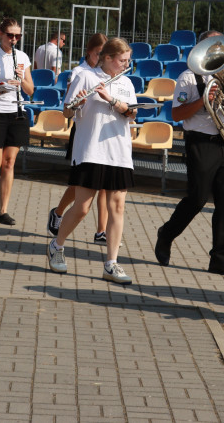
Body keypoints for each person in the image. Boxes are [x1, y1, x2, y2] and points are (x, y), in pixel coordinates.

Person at [155, 31, 224, 277]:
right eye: (212, 48)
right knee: (197, 199)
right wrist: (202, 100)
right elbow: (177, 115)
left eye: (220, 49)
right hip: (201, 144)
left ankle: (220, 258)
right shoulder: (188, 78)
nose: (217, 53)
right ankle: (166, 234)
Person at [48, 37, 138, 284]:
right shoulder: (85, 76)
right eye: (122, 60)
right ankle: (57, 245)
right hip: (90, 150)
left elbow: (132, 113)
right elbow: (67, 111)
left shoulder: (126, 82)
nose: (125, 64)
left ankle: (111, 264)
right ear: (107, 58)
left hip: (118, 151)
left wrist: (111, 100)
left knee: (117, 206)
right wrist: (78, 103)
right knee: (82, 208)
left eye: (127, 60)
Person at [47, 33, 109, 242]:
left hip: (103, 131)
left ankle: (101, 231)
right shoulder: (79, 72)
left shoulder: (107, 72)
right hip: (84, 131)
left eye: (104, 54)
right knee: (80, 185)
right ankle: (58, 212)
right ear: (88, 52)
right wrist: (78, 102)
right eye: (97, 54)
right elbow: (68, 105)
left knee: (104, 185)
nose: (100, 58)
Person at [0, 17, 35, 225]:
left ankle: (3, 211)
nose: (14, 39)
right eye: (10, 35)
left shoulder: (22, 57)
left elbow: (30, 90)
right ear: (1, 34)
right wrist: (1, 86)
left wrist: (21, 79)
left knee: (9, 162)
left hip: (17, 111)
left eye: (17, 36)